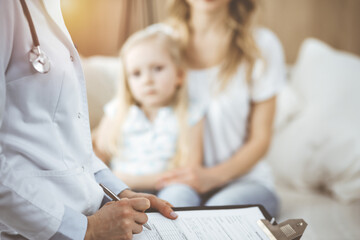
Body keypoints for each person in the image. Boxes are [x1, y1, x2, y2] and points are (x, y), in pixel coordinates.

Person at [0, 1, 177, 239]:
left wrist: (120, 192)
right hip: (31, 231)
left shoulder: (49, 8)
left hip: (89, 217)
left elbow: (68, 138)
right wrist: (87, 230)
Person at [155, 0, 286, 217]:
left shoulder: (262, 44)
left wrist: (211, 177)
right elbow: (126, 106)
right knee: (172, 212)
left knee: (219, 215)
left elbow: (261, 138)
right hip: (181, 180)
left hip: (245, 182)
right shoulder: (158, 41)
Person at [93, 25, 204, 195]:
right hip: (122, 190)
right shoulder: (117, 111)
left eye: (157, 69)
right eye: (137, 73)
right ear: (127, 82)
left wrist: (129, 179)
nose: (147, 80)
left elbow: (188, 171)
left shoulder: (190, 114)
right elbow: (97, 156)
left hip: (168, 189)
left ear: (179, 75)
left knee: (181, 193)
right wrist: (115, 182)